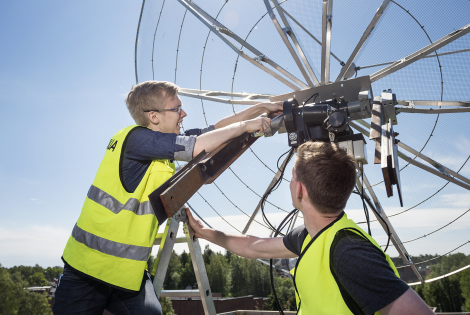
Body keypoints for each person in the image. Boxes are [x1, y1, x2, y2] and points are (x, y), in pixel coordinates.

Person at [53, 81, 282, 315]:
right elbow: (197, 145)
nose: (184, 114)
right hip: (87, 272)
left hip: (126, 275)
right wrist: (247, 126)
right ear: (153, 116)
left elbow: (214, 130)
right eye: (176, 109)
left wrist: (261, 108)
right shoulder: (136, 139)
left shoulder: (161, 147)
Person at [186, 141, 434, 315]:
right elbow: (254, 246)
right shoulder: (310, 236)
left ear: (300, 189)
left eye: (292, 177)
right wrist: (205, 232)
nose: (291, 183)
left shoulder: (350, 253)